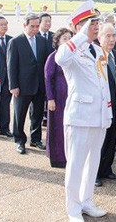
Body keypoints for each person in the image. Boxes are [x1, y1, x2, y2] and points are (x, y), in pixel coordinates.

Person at [55, 1, 112, 220]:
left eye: (97, 22)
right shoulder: (71, 48)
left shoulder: (97, 50)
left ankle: (86, 200)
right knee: (76, 165)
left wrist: (107, 112)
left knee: (92, 162)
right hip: (79, 116)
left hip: (98, 116)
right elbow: (60, 58)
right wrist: (80, 35)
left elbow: (103, 84)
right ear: (79, 25)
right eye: (91, 23)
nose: (96, 27)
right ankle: (73, 209)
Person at [7, 13, 49, 154]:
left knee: (37, 114)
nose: (35, 29)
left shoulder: (42, 41)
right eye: (32, 26)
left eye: (37, 26)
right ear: (24, 25)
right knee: (19, 115)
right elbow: (11, 65)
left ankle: (36, 139)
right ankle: (19, 140)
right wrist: (13, 86)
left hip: (39, 85)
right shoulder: (16, 42)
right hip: (22, 86)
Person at [44, 28, 73, 168]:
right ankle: (58, 157)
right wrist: (50, 98)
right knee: (58, 126)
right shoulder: (53, 56)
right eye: (64, 39)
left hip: (71, 95)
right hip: (58, 96)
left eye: (69, 38)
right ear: (58, 42)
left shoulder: (73, 56)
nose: (68, 41)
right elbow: (47, 78)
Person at [95, 23, 116, 186]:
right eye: (107, 36)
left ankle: (106, 169)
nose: (111, 40)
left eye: (114, 36)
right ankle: (95, 173)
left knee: (112, 139)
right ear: (99, 38)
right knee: (99, 142)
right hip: (100, 106)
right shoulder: (95, 56)